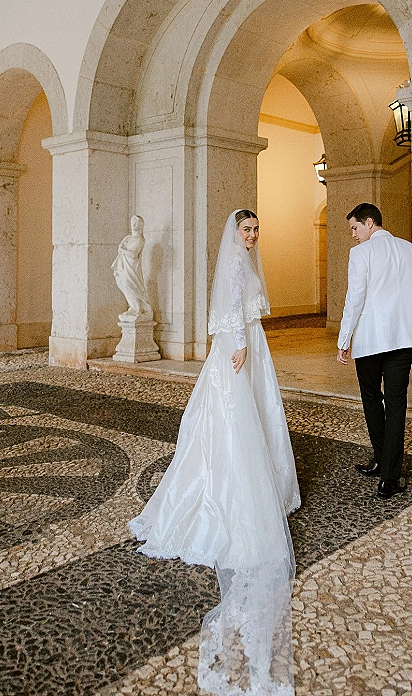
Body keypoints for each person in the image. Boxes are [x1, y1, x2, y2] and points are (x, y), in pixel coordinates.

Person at [129, 209, 300, 696]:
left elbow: (239, 306)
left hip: (248, 343)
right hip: (238, 346)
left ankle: (266, 477)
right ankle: (238, 488)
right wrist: (240, 344)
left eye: (256, 231)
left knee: (257, 415)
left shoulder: (243, 261)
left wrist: (247, 340)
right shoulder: (235, 265)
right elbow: (229, 309)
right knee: (234, 419)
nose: (252, 236)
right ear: (234, 233)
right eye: (247, 230)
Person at [337, 203, 412, 500]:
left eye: (355, 228)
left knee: (372, 398)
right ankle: (388, 473)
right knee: (397, 404)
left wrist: (343, 338)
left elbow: (355, 298)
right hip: (404, 338)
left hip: (371, 339)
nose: (353, 234)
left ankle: (382, 462)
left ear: (370, 223)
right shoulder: (409, 249)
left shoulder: (361, 253)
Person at [111, 214, 153, 320]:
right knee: (123, 285)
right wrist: (122, 250)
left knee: (132, 285)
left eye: (136, 223)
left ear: (140, 226)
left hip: (132, 268)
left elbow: (134, 255)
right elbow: (120, 248)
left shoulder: (140, 240)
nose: (133, 225)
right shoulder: (128, 238)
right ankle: (133, 307)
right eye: (132, 223)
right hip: (124, 266)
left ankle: (139, 309)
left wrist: (122, 250)